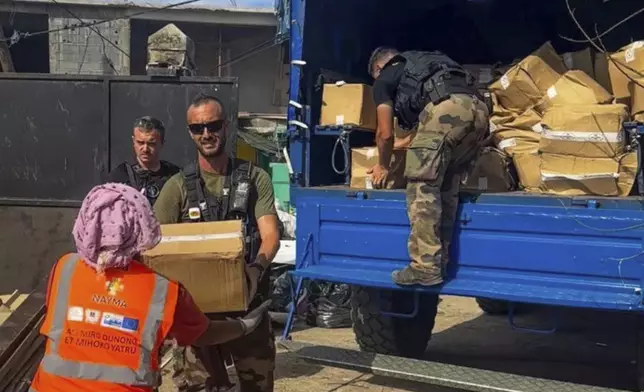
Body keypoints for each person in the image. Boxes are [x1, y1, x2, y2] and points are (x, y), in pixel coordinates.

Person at [30, 183, 271, 392]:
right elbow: (204, 333)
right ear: (141, 230)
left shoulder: (65, 268)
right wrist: (243, 325)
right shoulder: (163, 291)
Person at [154, 93, 281, 392]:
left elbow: (271, 235)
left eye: (213, 125)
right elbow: (155, 247)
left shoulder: (254, 178)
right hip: (197, 315)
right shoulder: (176, 188)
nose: (206, 134)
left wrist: (255, 268)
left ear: (226, 127)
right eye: (198, 128)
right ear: (190, 133)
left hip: (247, 305)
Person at [366, 47, 489, 287]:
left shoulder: (384, 78)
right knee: (447, 187)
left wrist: (382, 165)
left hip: (447, 112)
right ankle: (440, 260)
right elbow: (430, 130)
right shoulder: (426, 65)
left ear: (378, 68)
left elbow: (384, 134)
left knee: (422, 187)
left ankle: (424, 267)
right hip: (479, 111)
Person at [107, 116, 180, 206]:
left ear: (162, 143)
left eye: (151, 144)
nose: (145, 149)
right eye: (140, 142)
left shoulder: (174, 176)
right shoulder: (118, 177)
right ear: (133, 141)